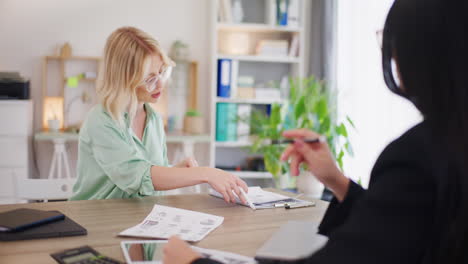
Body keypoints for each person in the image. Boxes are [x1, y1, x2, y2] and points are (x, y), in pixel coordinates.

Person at [163, 0, 468, 263]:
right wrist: (336, 181)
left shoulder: (417, 155)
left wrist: (193, 262)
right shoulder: (447, 143)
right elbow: (405, 227)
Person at [70, 27, 248, 204]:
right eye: (149, 79)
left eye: (162, 72)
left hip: (137, 216)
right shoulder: (101, 121)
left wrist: (176, 170)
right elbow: (137, 176)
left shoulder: (153, 118)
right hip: (95, 219)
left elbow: (150, 172)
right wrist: (205, 174)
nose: (161, 85)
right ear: (124, 79)